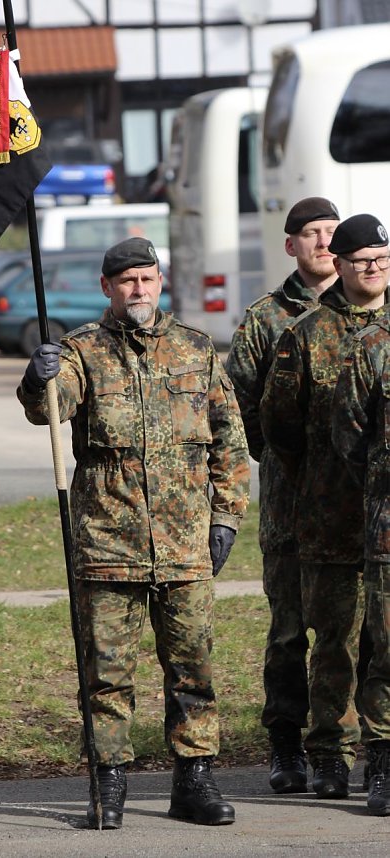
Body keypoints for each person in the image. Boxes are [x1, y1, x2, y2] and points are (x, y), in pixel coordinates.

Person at [18, 237, 250, 829]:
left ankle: (194, 780)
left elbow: (229, 442)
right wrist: (36, 375)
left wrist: (225, 518)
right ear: (106, 289)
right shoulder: (81, 352)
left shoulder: (196, 350)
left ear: (160, 282)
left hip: (184, 545)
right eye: (125, 281)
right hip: (107, 545)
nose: (137, 290)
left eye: (146, 279)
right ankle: (109, 783)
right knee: (106, 674)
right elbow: (50, 409)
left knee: (193, 670)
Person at [260, 214, 390, 800]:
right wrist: (318, 477)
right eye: (362, 259)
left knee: (386, 640)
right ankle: (329, 753)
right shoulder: (306, 333)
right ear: (338, 264)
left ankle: (382, 755)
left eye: (381, 258)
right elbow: (279, 426)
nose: (373, 268)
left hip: (387, 520)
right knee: (332, 640)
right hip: (326, 514)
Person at [227, 197, 341, 795]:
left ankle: (343, 744)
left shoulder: (376, 310)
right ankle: (286, 744)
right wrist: (287, 456)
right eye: (311, 234)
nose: (324, 242)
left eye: (331, 231)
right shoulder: (266, 319)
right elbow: (239, 405)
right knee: (290, 631)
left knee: (355, 630)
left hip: (358, 507)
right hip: (292, 505)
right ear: (291, 245)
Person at [331, 318, 390, 816]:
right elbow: (350, 436)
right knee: (388, 651)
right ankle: (386, 763)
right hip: (389, 531)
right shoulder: (372, 346)